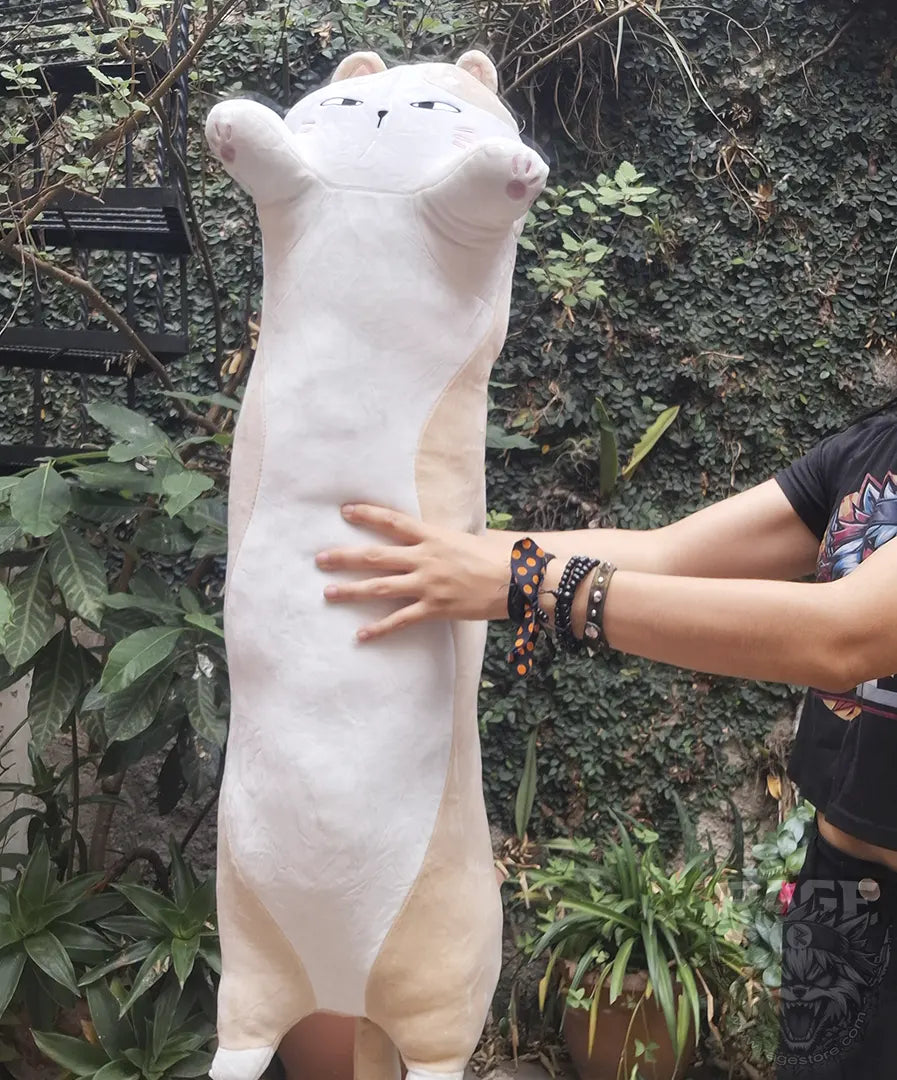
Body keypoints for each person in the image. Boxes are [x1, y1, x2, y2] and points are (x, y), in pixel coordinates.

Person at [315, 407, 897, 1079]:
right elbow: (669, 555)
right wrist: (434, 549)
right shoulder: (873, 446)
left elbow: (841, 636)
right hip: (844, 896)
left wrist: (537, 583)